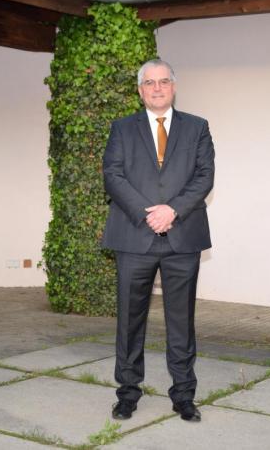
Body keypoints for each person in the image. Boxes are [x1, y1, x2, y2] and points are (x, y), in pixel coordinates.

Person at [102, 59, 215, 422]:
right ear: (140, 90)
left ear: (174, 86)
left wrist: (172, 211)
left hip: (183, 237)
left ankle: (183, 395)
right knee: (129, 322)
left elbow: (204, 176)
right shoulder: (122, 129)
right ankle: (127, 394)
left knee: (182, 321)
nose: (156, 87)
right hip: (135, 236)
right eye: (149, 82)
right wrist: (148, 213)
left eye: (163, 81)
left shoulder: (197, 127)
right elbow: (113, 175)